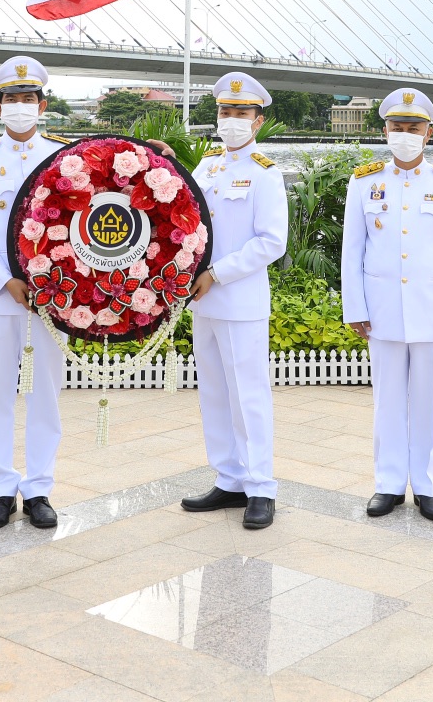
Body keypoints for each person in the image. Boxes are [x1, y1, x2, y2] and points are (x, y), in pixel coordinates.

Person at [340, 88, 433, 522]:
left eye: (413, 128)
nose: (404, 134)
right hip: (381, 309)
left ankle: (429, 486)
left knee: (431, 400)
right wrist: (355, 306)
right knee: (387, 401)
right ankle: (388, 484)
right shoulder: (364, 181)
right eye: (397, 127)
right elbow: (352, 251)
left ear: (428, 133)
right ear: (385, 130)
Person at [0, 56, 71, 529]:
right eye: (11, 100)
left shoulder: (66, 159)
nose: (20, 107)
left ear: (42, 105)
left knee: (46, 391)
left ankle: (39, 487)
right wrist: (5, 278)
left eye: (28, 99)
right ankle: (0, 488)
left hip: (51, 298)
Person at [179, 72, 288, 529]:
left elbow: (271, 242)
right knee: (216, 394)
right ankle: (229, 478)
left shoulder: (265, 173)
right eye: (225, 112)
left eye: (241, 113)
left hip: (239, 299)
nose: (231, 120)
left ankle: (260, 486)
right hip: (203, 302)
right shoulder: (208, 168)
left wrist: (216, 274)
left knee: (249, 396)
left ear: (258, 120)